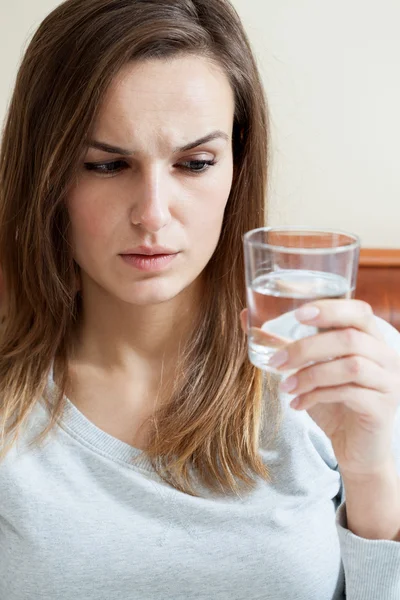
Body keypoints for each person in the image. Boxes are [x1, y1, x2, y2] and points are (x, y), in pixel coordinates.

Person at [0, 1, 399, 599]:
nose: (153, 214)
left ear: (237, 165)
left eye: (195, 163)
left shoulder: (353, 376)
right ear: (47, 175)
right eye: (107, 164)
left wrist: (373, 473)